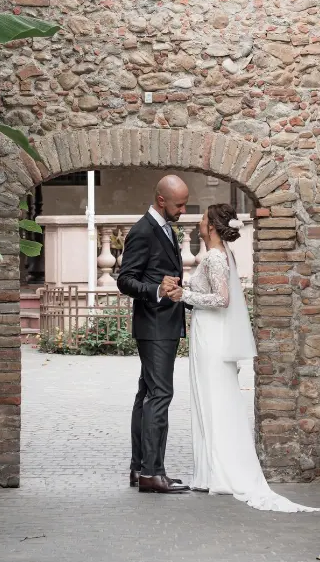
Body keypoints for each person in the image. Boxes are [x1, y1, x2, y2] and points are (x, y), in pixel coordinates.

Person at [166, 202, 320, 513]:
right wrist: (183, 290)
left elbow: (222, 300)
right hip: (206, 330)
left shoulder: (214, 257)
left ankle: (220, 473)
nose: (198, 220)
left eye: (202, 217)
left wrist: (185, 296)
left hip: (211, 334)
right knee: (210, 399)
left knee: (215, 400)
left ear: (210, 226)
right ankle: (210, 471)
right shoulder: (218, 256)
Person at [117, 174, 191, 494]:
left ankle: (139, 467)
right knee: (160, 396)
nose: (184, 210)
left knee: (146, 395)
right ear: (162, 201)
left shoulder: (165, 228)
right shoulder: (142, 231)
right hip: (155, 326)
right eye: (180, 204)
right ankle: (152, 473)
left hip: (162, 325)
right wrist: (157, 291)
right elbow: (125, 280)